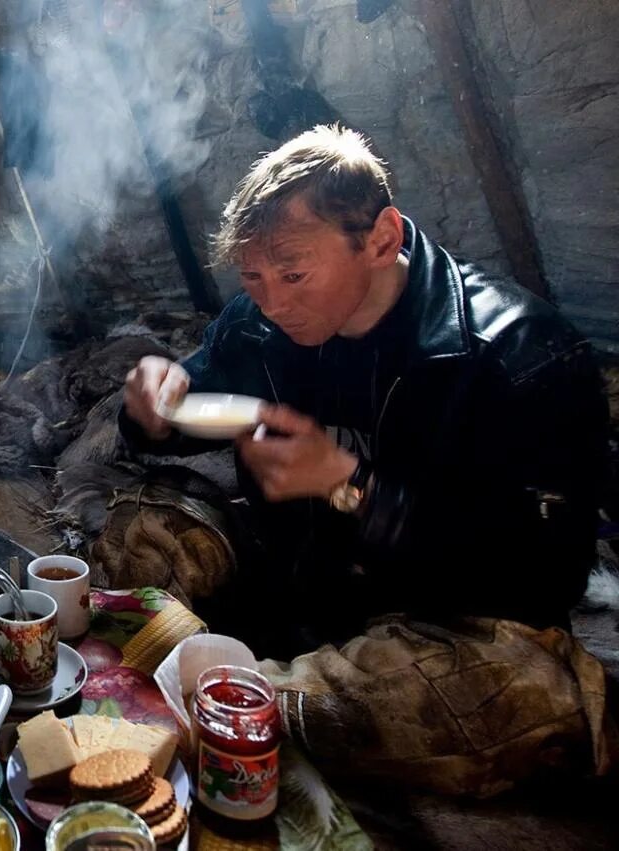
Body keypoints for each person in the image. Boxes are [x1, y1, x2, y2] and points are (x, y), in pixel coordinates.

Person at [120, 125, 611, 793]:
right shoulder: (259, 324)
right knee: (143, 530)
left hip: (430, 619)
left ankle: (220, 695)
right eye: (252, 275)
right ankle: (251, 697)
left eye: (294, 272)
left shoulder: (517, 354)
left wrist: (354, 486)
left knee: (518, 692)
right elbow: (186, 412)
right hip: (297, 582)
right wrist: (151, 400)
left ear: (380, 238)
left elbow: (540, 578)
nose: (273, 300)